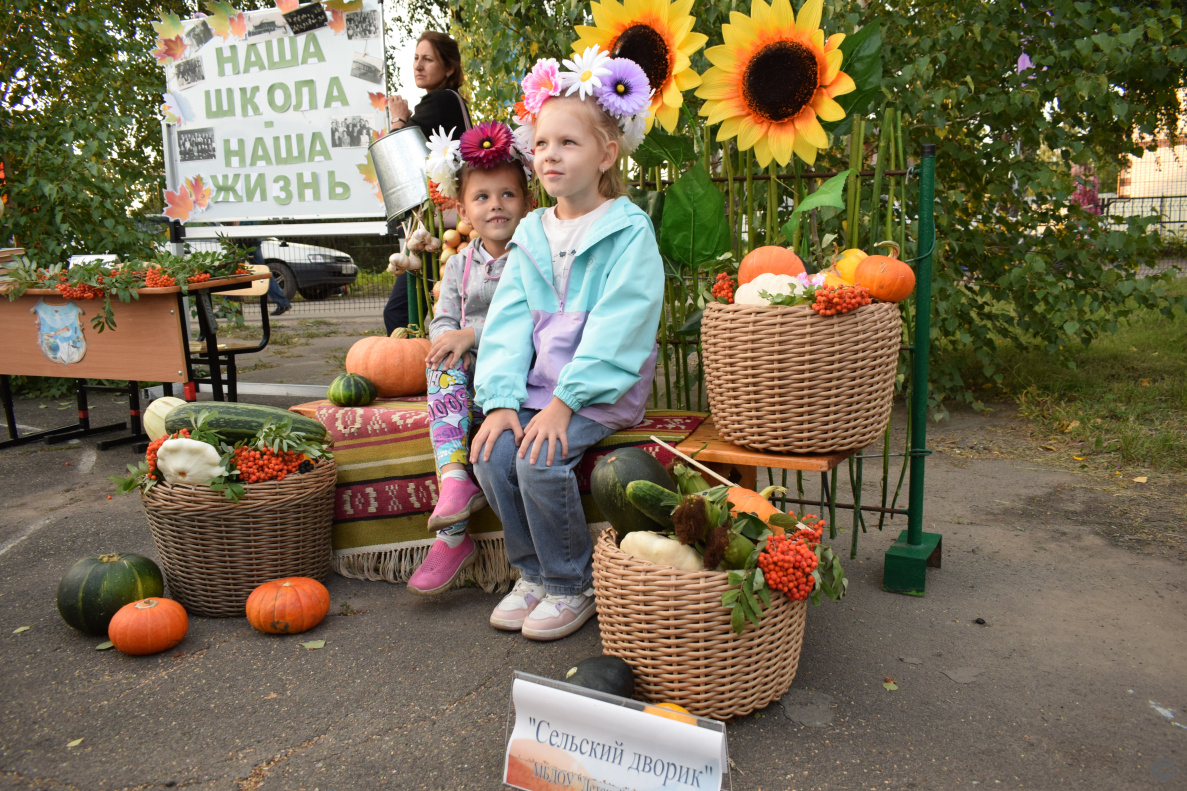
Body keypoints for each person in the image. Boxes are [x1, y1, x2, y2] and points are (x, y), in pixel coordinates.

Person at [470, 51, 663, 641]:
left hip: (598, 392)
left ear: (606, 154)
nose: (549, 154)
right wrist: (503, 399)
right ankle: (532, 574)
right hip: (535, 390)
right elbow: (505, 323)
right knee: (491, 453)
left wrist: (566, 403)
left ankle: (573, 582)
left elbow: (621, 324)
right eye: (542, 142)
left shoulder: (627, 231)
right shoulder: (532, 232)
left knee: (539, 458)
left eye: (568, 144)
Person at [406, 121, 532, 595]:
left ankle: (455, 534)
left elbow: (532, 320)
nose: (495, 205)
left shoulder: (532, 255)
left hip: (517, 374)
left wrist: (470, 333)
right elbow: (443, 319)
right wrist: (448, 338)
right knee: (439, 364)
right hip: (469, 379)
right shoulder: (460, 264)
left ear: (527, 202)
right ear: (463, 209)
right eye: (482, 198)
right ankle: (455, 487)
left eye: (507, 195)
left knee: (466, 402)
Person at [383, 31, 472, 335]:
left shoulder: (439, 100)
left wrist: (398, 119)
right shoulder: (452, 100)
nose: (418, 66)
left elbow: (400, 158)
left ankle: (416, 379)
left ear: (449, 68)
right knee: (438, 306)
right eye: (416, 58)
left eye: (428, 59)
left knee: (401, 312)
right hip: (454, 223)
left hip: (438, 225)